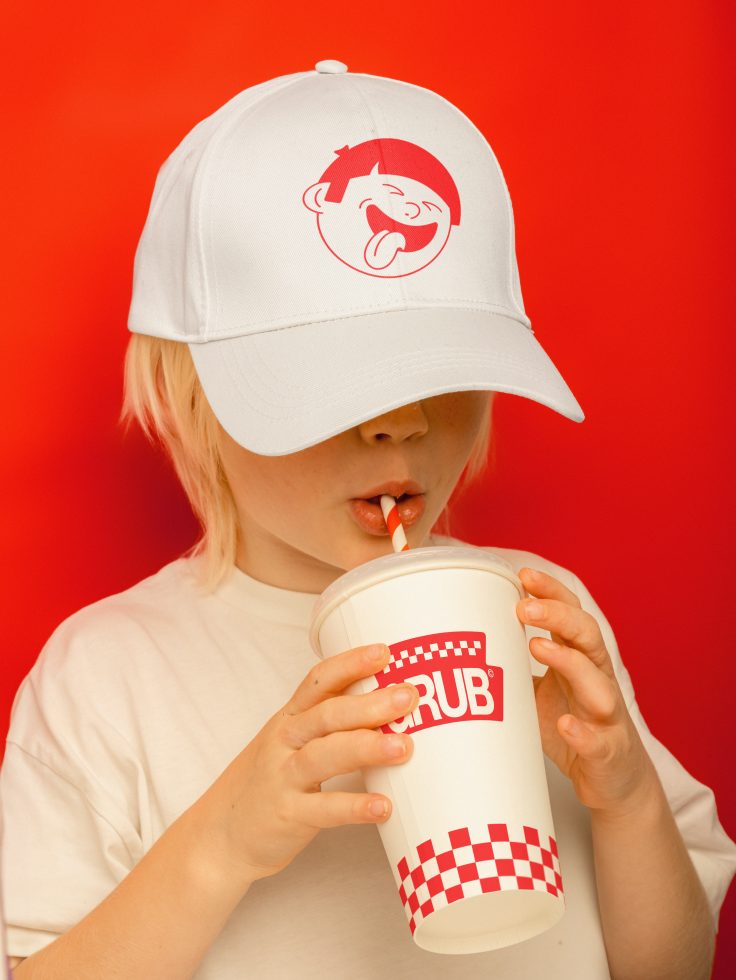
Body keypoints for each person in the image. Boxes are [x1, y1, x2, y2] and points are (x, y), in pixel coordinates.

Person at [2, 60, 735, 980]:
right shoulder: (108, 677)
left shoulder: (541, 616)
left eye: (439, 367)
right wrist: (219, 846)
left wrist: (624, 796)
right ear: (192, 390)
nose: (402, 421)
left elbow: (672, 966)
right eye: (337, 376)